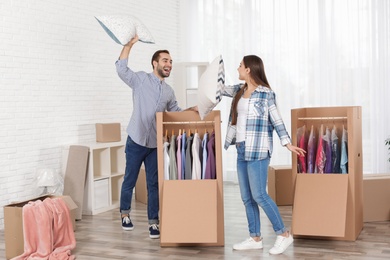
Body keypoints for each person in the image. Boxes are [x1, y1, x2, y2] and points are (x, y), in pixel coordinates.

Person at [221, 55, 306, 254]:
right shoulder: (238, 91)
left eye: (240, 65)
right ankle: (255, 237)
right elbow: (218, 90)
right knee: (246, 197)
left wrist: (287, 143)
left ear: (249, 69)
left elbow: (276, 119)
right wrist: (212, 75)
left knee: (259, 194)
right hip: (241, 149)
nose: (238, 68)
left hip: (259, 150)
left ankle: (283, 234)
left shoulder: (266, 94)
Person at [115, 35, 194, 239]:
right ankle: (124, 214)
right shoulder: (141, 79)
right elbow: (121, 69)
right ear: (155, 63)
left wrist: (192, 110)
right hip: (136, 139)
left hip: (155, 143)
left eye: (171, 62)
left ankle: (153, 222)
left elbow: (174, 112)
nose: (169, 64)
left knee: (153, 183)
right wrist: (129, 45)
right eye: (166, 61)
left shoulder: (168, 91)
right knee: (130, 179)